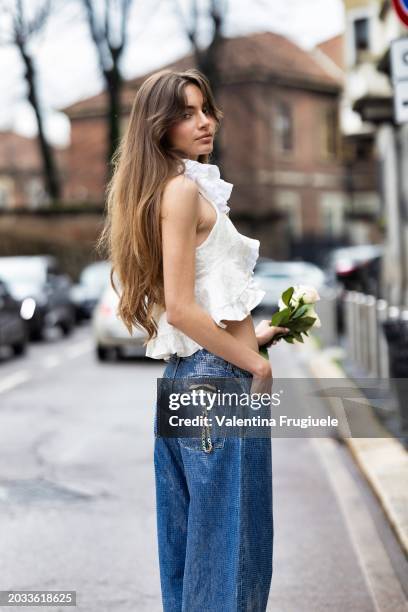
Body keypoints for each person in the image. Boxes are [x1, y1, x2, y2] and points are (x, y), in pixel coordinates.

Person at [97, 67, 290, 612]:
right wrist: (257, 368)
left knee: (198, 555)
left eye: (205, 109)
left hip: (190, 383)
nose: (204, 122)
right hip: (216, 388)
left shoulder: (176, 189)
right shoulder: (180, 193)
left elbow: (206, 301)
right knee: (233, 559)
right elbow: (181, 310)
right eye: (185, 113)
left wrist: (258, 337)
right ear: (159, 127)